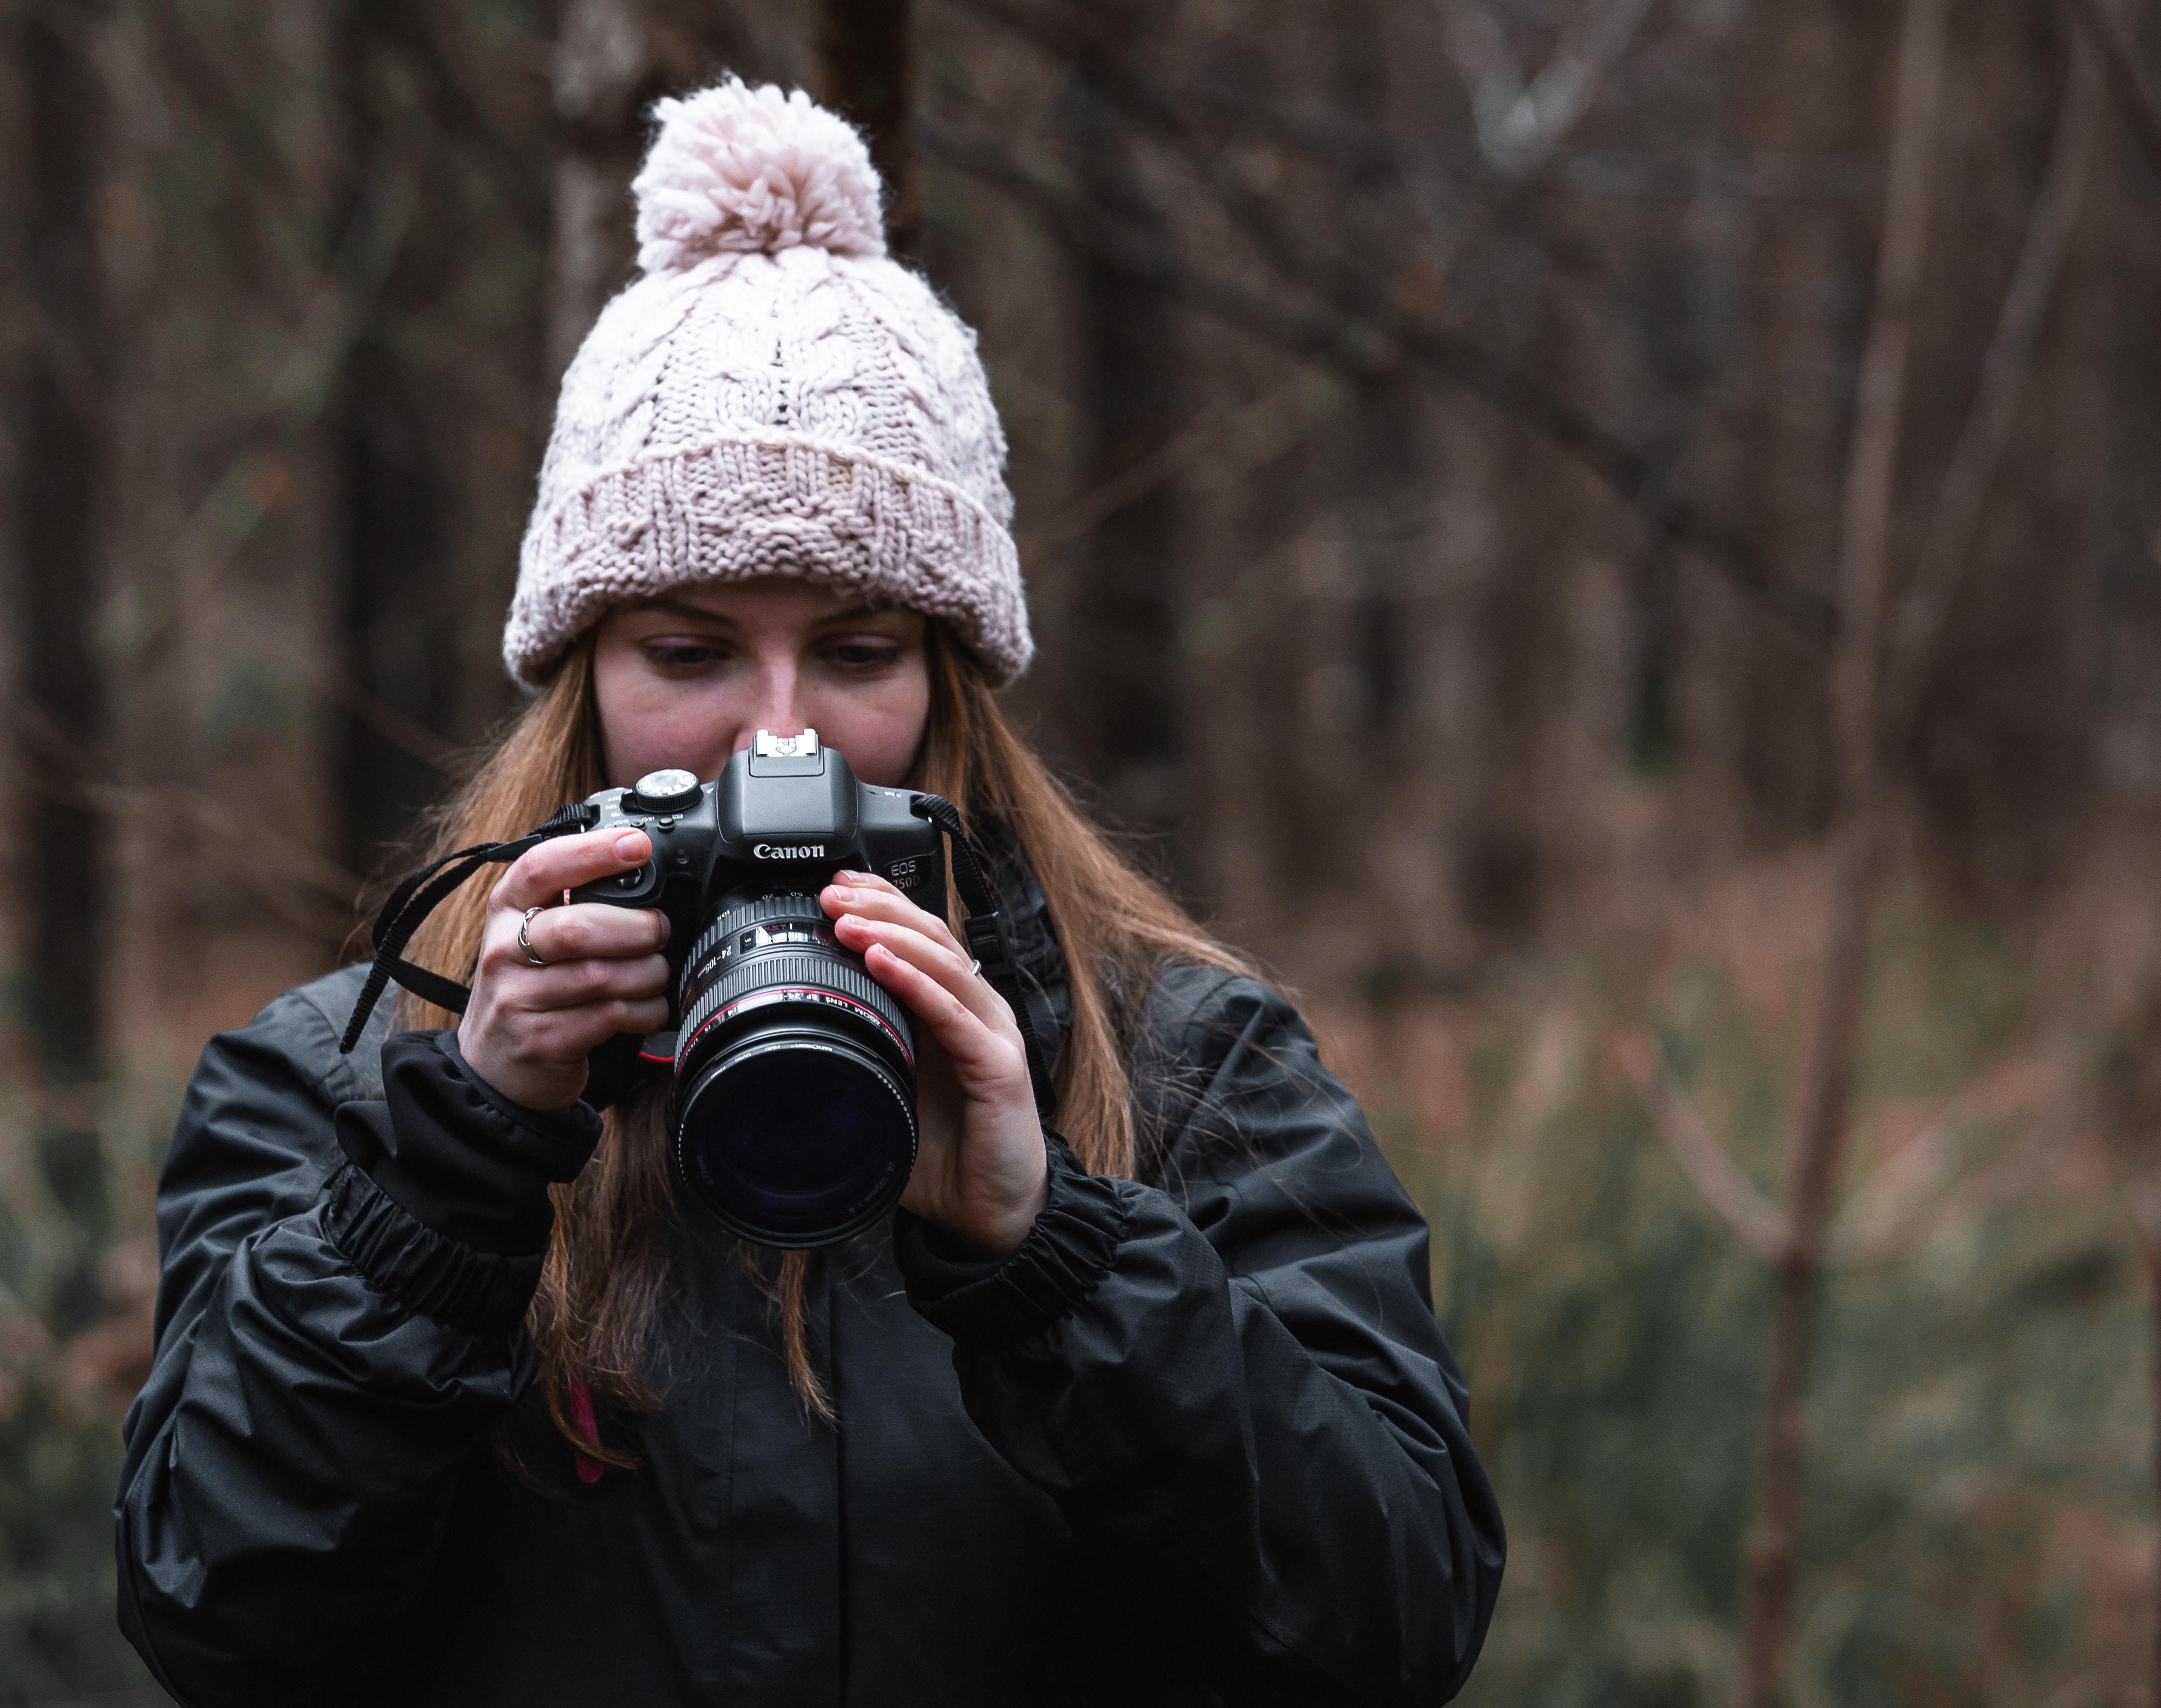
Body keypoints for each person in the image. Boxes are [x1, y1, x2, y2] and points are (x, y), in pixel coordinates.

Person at [116, 79, 1501, 1708]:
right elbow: (220, 1618)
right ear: (581, 677)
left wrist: (1055, 1253)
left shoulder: (1180, 1069)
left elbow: (1393, 1622)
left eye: (854, 650)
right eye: (688, 651)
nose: (778, 735)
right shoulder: (350, 1079)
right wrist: (452, 1176)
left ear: (948, 677)